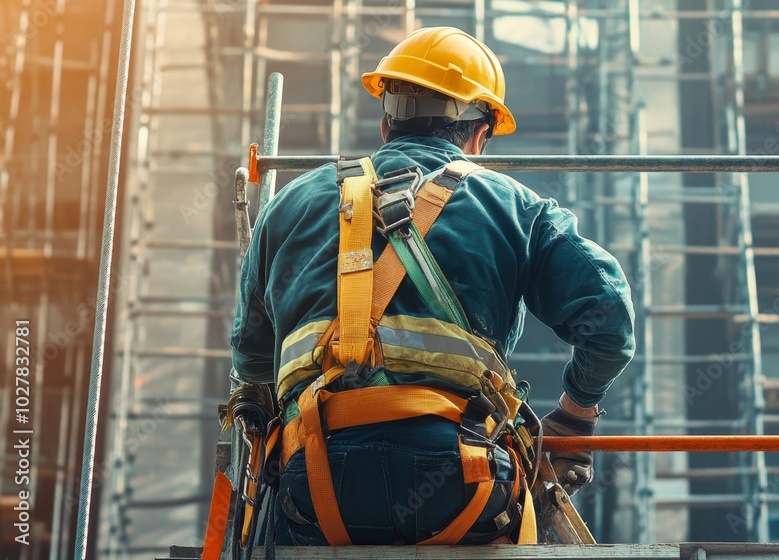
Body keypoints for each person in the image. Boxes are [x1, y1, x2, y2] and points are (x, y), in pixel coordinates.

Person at [230, 26, 635, 546]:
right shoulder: (516, 207)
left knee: (269, 524)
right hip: (460, 482)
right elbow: (609, 318)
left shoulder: (290, 204)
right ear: (479, 133)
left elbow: (252, 363)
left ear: (386, 122)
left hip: (313, 482)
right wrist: (575, 415)